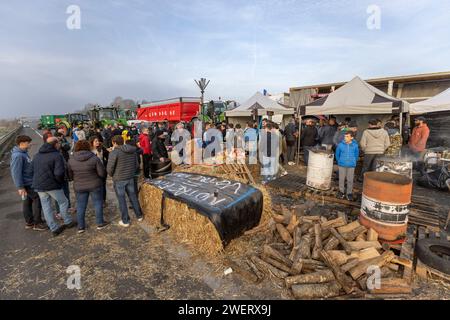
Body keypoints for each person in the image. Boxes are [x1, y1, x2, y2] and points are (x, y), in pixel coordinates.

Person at [32, 137, 76, 236]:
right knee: (63, 201)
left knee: (46, 206)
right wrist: (59, 182)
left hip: (39, 186)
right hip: (52, 185)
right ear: (55, 144)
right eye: (59, 143)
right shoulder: (57, 155)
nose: (59, 144)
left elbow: (31, 170)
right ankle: (68, 222)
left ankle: (54, 228)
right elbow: (59, 173)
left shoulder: (37, 155)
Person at [68, 140, 109, 234]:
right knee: (98, 203)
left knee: (81, 205)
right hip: (95, 184)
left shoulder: (71, 160)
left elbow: (70, 176)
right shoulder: (94, 158)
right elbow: (102, 173)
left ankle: (81, 226)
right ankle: (100, 223)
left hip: (79, 185)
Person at [10, 135, 47, 231]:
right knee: (37, 199)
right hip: (27, 183)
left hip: (27, 182)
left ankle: (30, 222)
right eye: (28, 142)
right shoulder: (18, 156)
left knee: (27, 202)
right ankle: (37, 223)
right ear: (22, 143)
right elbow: (15, 172)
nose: (30, 144)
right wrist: (20, 187)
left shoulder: (22, 153)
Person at [107, 135, 144, 227]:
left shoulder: (114, 153)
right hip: (130, 177)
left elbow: (110, 168)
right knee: (133, 196)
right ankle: (139, 215)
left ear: (114, 143)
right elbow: (136, 164)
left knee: (121, 199)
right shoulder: (132, 150)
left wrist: (112, 175)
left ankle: (125, 220)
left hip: (119, 179)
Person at [335, 132, 359, 201]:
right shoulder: (340, 145)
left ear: (352, 137)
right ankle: (341, 192)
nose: (345, 138)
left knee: (350, 180)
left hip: (351, 165)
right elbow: (337, 154)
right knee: (341, 179)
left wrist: (354, 161)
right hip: (342, 165)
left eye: (347, 136)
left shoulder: (355, 145)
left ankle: (349, 193)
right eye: (345, 136)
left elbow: (356, 155)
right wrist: (339, 161)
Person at [90, 136, 109, 202]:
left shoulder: (102, 148)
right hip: (93, 171)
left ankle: (103, 199)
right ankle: (97, 199)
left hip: (102, 169)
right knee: (95, 186)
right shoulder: (89, 150)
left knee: (103, 185)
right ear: (91, 142)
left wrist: (105, 164)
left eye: (98, 141)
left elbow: (108, 156)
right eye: (96, 141)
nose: (97, 142)